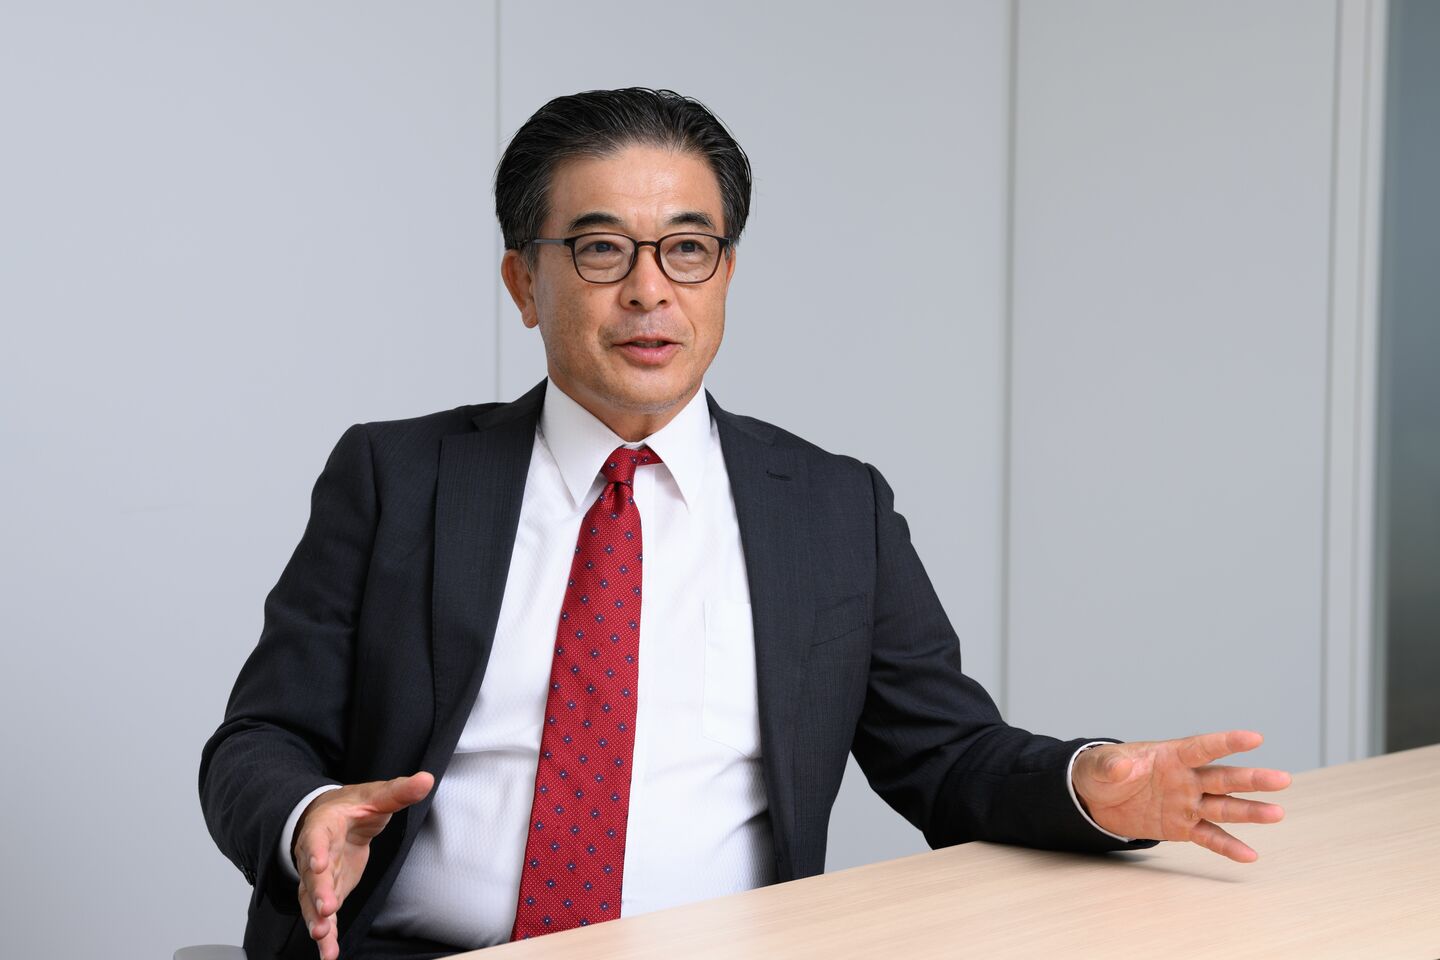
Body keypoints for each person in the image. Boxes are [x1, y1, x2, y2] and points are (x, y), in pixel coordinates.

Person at [199, 88, 1291, 960]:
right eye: (600, 249)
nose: (649, 290)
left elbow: (949, 758)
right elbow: (258, 740)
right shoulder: (398, 477)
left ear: (725, 274)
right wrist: (307, 818)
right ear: (524, 284)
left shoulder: (832, 507)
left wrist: (1086, 786)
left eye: (688, 248)